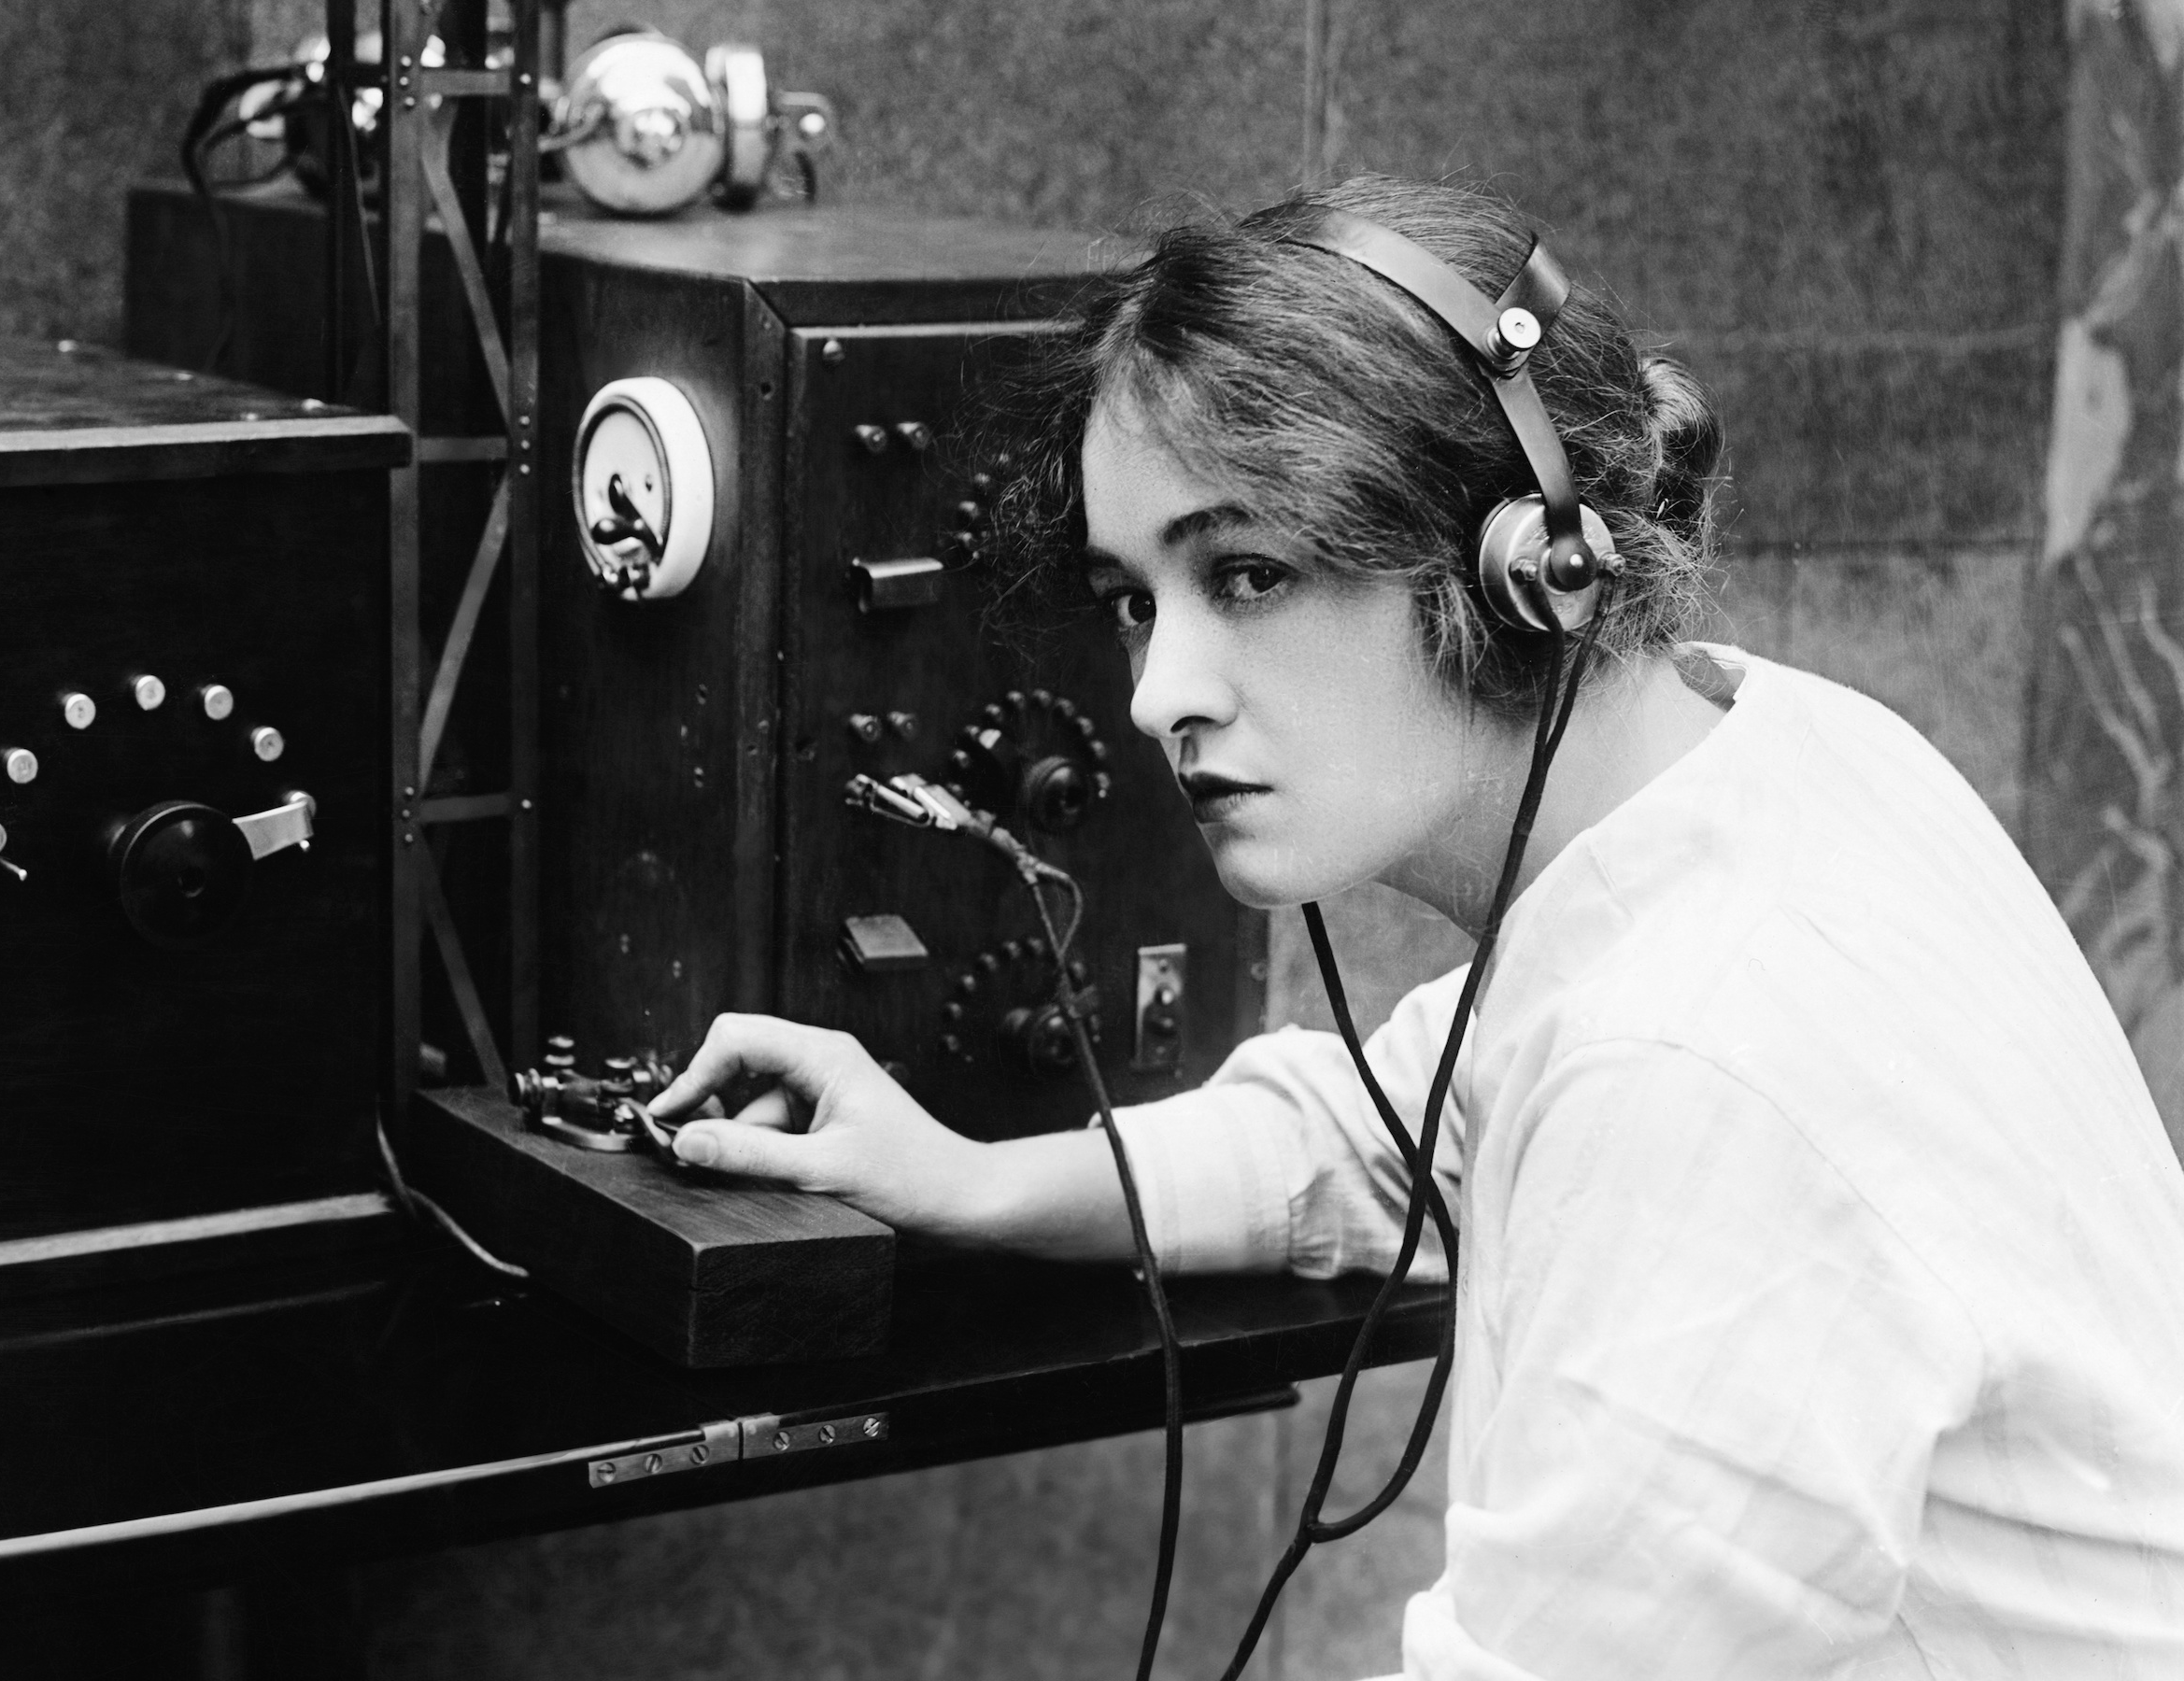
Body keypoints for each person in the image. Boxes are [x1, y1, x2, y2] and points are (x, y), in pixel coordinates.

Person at [643, 176, 2184, 1678]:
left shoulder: (1701, 1064)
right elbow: (1379, 1131)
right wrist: (964, 1178)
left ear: (1521, 571)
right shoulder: (1768, 756)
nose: (1158, 695)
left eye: (1249, 574)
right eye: (1136, 598)